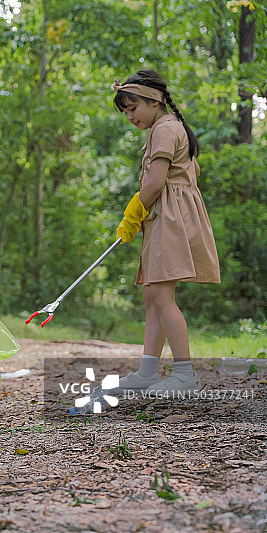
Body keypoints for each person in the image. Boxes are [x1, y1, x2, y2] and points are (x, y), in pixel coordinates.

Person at [112, 70, 220, 394]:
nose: (129, 116)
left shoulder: (166, 129)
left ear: (153, 100)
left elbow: (157, 182)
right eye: (125, 112)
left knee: (161, 295)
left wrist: (135, 209)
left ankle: (185, 375)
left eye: (133, 108)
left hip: (169, 218)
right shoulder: (165, 129)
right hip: (162, 217)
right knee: (152, 295)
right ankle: (147, 371)